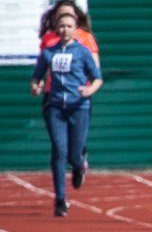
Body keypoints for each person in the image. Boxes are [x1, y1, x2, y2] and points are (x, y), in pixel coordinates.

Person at [30, 12, 102, 217]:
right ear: (56, 29)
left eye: (69, 26)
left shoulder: (83, 52)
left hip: (78, 106)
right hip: (55, 107)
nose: (65, 30)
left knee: (73, 154)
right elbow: (36, 77)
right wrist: (36, 87)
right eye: (61, 26)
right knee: (59, 151)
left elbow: (97, 78)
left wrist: (89, 90)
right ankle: (60, 199)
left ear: (75, 28)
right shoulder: (48, 53)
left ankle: (80, 166)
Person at [38, 0, 100, 181]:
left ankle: (79, 160)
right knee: (58, 146)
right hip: (53, 95)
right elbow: (44, 65)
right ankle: (60, 196)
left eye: (70, 16)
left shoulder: (85, 38)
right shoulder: (49, 39)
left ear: (76, 18)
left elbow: (95, 67)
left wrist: (86, 87)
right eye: (61, 16)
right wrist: (39, 82)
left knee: (74, 145)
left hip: (77, 96)